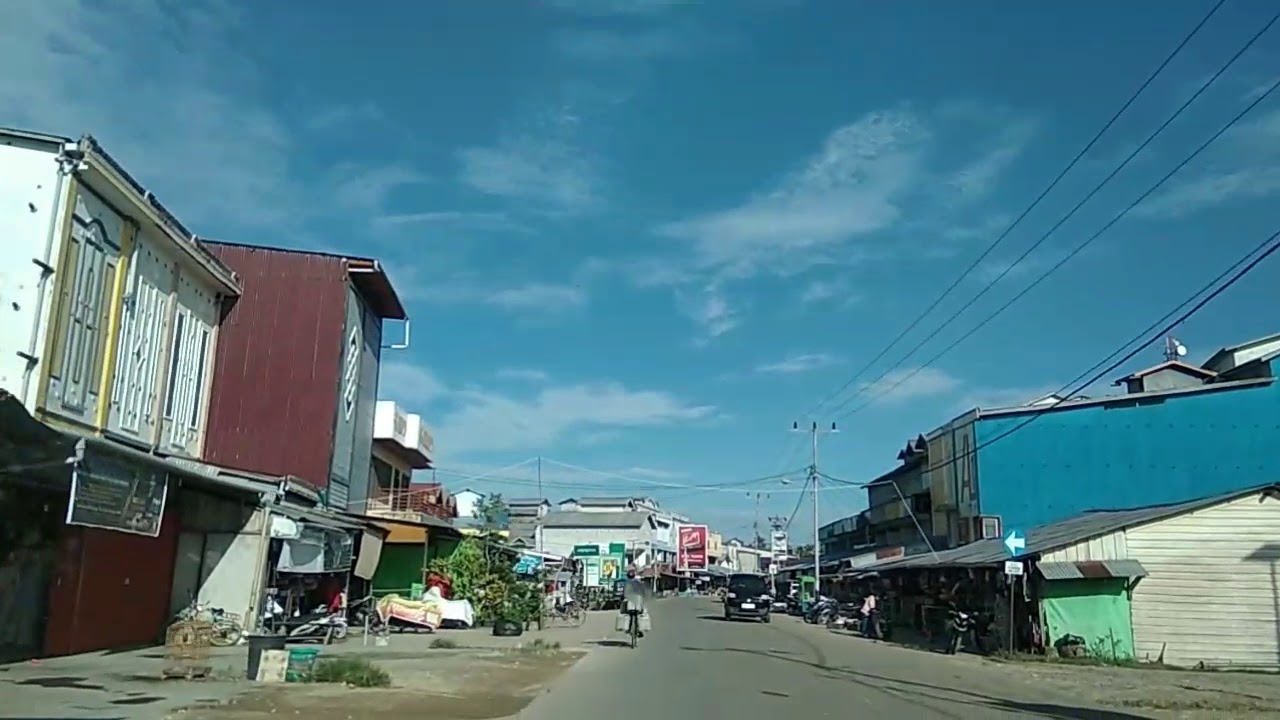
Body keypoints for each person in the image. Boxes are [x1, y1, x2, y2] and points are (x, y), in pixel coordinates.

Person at [621, 567, 650, 637]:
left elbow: (624, 593)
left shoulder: (627, 583)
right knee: (640, 614)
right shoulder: (637, 582)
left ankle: (631, 629)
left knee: (629, 614)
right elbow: (643, 593)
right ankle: (638, 629)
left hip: (632, 603)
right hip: (636, 602)